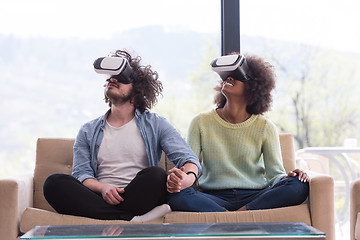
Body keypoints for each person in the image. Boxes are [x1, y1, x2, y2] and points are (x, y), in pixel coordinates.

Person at [43, 49, 201, 221]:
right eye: (110, 78)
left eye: (120, 78)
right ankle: (130, 219)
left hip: (138, 196)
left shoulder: (156, 124)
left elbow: (188, 159)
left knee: (156, 175)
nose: (112, 80)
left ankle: (109, 216)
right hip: (99, 197)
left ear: (137, 89)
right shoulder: (88, 130)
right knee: (53, 183)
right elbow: (82, 174)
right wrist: (103, 188)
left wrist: (187, 178)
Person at [167, 53, 309, 212]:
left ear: (254, 86)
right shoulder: (200, 122)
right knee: (175, 194)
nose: (229, 79)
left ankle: (232, 215)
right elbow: (189, 162)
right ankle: (237, 216)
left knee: (299, 186)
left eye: (236, 76)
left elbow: (275, 175)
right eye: (226, 77)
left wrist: (291, 178)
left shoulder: (266, 127)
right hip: (213, 197)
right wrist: (181, 179)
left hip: (255, 195)